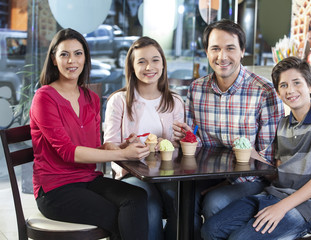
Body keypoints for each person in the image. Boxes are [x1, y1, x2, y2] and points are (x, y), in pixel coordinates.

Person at [201, 56, 311, 240]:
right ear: (277, 92)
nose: (290, 90)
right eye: (283, 85)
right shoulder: (283, 124)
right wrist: (251, 154)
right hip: (272, 195)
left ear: (310, 86)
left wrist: (282, 207)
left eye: (297, 83)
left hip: (303, 208)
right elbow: (277, 172)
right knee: (210, 230)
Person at [29, 28, 150, 240]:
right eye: (64, 54)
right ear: (54, 60)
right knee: (122, 216)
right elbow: (69, 153)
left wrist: (119, 147)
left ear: (85, 58)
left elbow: (93, 149)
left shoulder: (91, 98)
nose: (71, 60)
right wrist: (124, 155)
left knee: (137, 197)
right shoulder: (44, 98)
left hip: (87, 179)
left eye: (78, 53)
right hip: (55, 190)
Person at [172, 18, 284, 238]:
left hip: (251, 178)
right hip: (206, 173)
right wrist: (185, 137)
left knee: (215, 201)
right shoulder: (197, 89)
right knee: (180, 196)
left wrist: (226, 180)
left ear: (242, 51)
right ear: (206, 52)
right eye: (215, 48)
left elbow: (269, 161)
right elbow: (196, 141)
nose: (222, 57)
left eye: (230, 48)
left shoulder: (264, 92)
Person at [103, 36, 185, 240]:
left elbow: (178, 147)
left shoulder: (174, 101)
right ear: (131, 67)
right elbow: (108, 146)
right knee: (150, 204)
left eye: (155, 60)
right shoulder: (119, 101)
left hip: (168, 173)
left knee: (183, 203)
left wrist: (181, 140)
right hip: (132, 174)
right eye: (141, 61)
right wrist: (126, 149)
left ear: (164, 64)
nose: (150, 67)